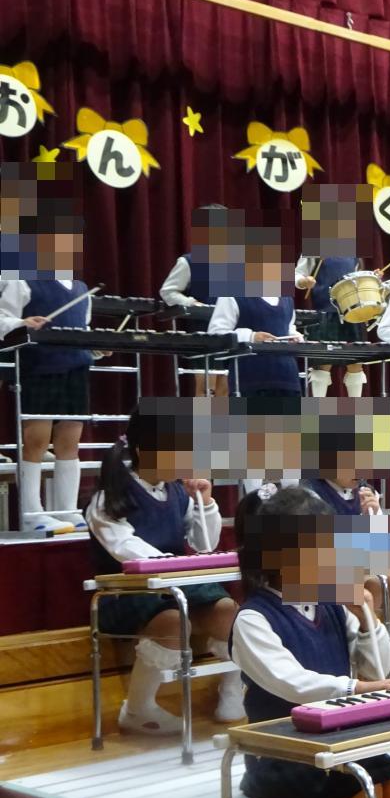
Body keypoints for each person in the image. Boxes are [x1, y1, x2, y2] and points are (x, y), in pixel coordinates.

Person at [229, 484, 390, 798]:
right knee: (359, 790)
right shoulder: (253, 618)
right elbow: (291, 683)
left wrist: (366, 618)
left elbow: (379, 666)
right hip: (282, 752)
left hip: (339, 737)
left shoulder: (331, 604)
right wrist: (356, 688)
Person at [86, 407, 242, 733]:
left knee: (230, 612)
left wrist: (205, 502)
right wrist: (170, 565)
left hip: (175, 585)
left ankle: (231, 691)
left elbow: (204, 544)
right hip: (129, 593)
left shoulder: (178, 493)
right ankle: (137, 709)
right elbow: (123, 547)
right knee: (173, 621)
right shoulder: (108, 497)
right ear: (144, 449)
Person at [0, 219, 92, 532]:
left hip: (75, 367)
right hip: (39, 365)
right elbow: (3, 318)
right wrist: (22, 323)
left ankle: (67, 510)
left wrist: (96, 348)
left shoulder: (82, 289)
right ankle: (31, 511)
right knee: (36, 440)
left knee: (70, 441)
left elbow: (82, 328)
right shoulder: (22, 279)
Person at [302, 460, 390, 682]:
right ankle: (367, 668)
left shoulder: (366, 491)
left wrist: (373, 516)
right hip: (321, 564)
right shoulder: (310, 493)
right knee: (371, 583)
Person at [206, 237, 303, 397]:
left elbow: (289, 328)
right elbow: (215, 334)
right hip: (250, 382)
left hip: (288, 380)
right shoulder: (232, 294)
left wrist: (295, 337)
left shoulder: (286, 298)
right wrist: (251, 336)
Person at [159, 203, 230, 397]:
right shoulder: (189, 261)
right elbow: (168, 292)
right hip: (203, 332)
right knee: (207, 387)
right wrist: (191, 303)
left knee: (227, 387)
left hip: (232, 332)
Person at [294, 255, 369, 397]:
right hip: (325, 312)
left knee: (355, 362)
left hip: (352, 312)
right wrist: (303, 281)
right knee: (322, 364)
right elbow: (297, 274)